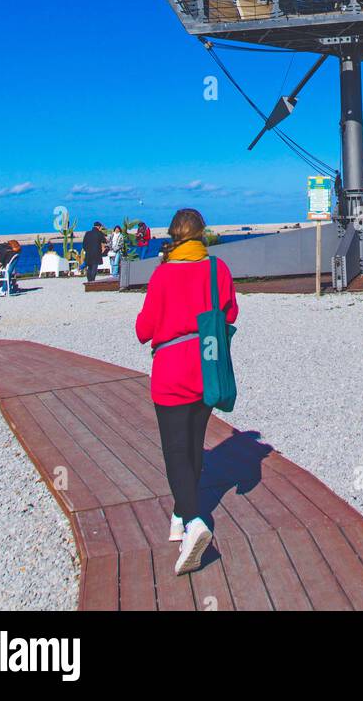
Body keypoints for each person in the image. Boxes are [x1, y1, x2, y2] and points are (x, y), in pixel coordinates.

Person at [135, 208, 237, 577]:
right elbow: (229, 313)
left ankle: (194, 521)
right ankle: (179, 516)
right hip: (206, 367)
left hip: (172, 370)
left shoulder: (162, 275)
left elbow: (144, 329)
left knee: (176, 451)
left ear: (174, 236)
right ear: (202, 234)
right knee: (194, 444)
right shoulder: (217, 269)